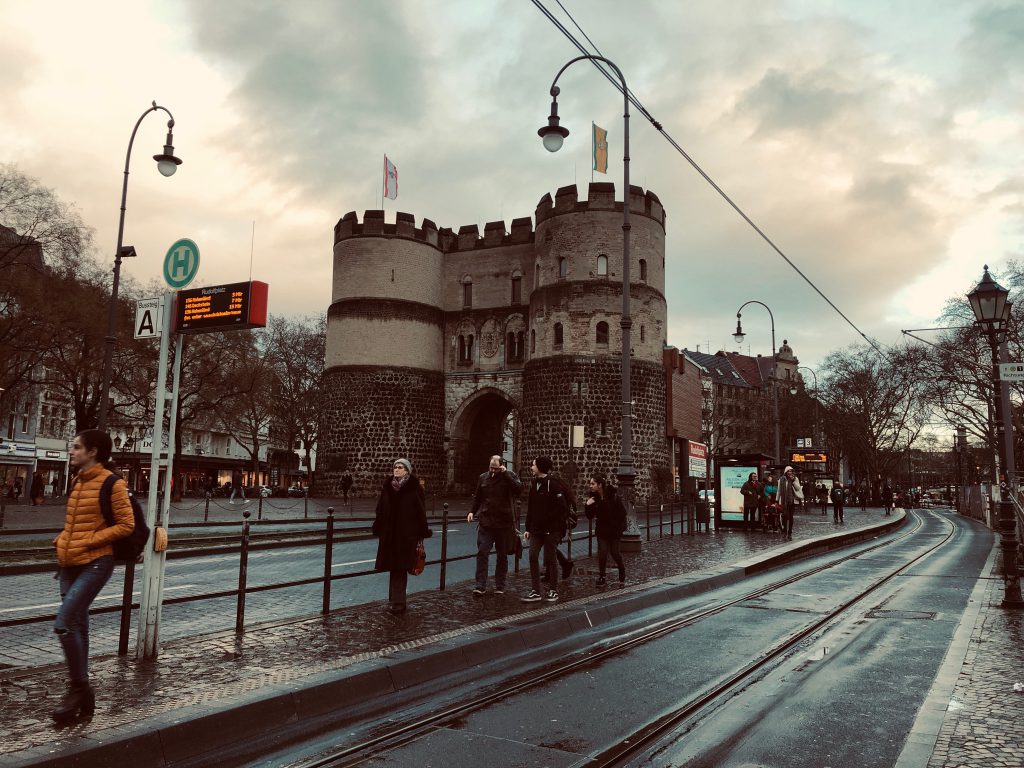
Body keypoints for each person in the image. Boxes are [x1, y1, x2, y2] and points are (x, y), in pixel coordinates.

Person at [51, 429, 134, 722]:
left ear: (93, 451)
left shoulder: (113, 483)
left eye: (76, 447)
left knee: (64, 623)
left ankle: (77, 687)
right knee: (78, 624)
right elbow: (75, 523)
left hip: (96, 562)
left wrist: (89, 540)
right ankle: (85, 695)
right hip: (69, 562)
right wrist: (63, 539)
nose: (71, 451)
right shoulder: (77, 480)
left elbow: (127, 525)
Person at [372, 458, 432, 614]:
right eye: (395, 467)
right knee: (393, 567)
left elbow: (421, 512)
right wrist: (378, 526)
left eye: (400, 467)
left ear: (407, 471)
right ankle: (394, 600)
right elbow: (380, 509)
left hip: (407, 535)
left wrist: (422, 531)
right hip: (389, 534)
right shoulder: (387, 487)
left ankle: (398, 602)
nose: (396, 470)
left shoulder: (414, 488)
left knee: (400, 567)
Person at [467, 455, 522, 595]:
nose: (492, 470)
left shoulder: (509, 476)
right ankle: (480, 585)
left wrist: (506, 474)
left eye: (495, 468)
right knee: (482, 552)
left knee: (502, 555)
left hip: (503, 523)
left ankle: (500, 585)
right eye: (491, 467)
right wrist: (472, 512)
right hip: (486, 522)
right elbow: (478, 496)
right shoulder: (483, 477)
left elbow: (518, 489)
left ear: (502, 466)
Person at [522, 456, 570, 603]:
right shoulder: (534, 483)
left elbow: (562, 507)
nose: (531, 467)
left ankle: (553, 590)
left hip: (551, 529)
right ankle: (535, 590)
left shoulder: (553, 485)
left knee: (550, 559)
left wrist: (548, 520)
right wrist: (528, 527)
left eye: (533, 465)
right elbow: (531, 507)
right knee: (532, 556)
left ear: (540, 467)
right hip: (536, 529)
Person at [584, 472, 627, 585]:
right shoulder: (593, 498)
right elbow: (589, 516)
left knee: (615, 553)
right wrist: (587, 505)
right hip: (602, 531)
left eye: (593, 484)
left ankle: (621, 569)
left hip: (614, 530)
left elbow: (622, 513)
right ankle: (602, 577)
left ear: (600, 485)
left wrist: (618, 527)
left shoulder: (613, 496)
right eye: (590, 484)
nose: (590, 486)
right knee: (602, 553)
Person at [777, 466, 803, 541]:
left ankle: (790, 532)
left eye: (791, 471)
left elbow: (798, 488)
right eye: (788, 471)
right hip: (783, 501)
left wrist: (793, 481)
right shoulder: (781, 480)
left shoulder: (795, 478)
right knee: (785, 516)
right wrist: (776, 500)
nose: (790, 473)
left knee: (791, 517)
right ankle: (785, 531)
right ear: (785, 472)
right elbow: (779, 491)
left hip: (792, 501)